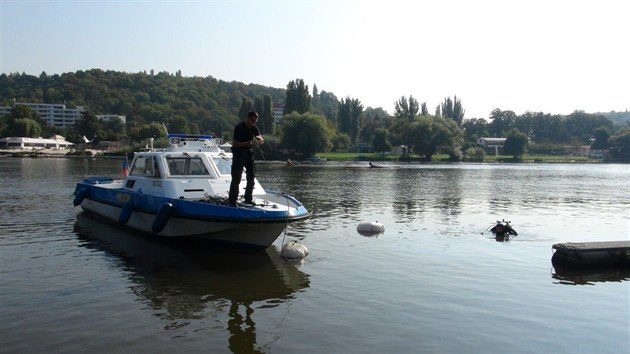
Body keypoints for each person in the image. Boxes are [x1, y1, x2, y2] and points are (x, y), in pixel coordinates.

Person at [228, 111, 264, 206]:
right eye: (252, 120)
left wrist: (259, 139)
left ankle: (248, 198)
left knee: (251, 176)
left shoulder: (254, 128)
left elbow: (259, 136)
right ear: (248, 118)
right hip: (238, 154)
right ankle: (232, 200)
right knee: (236, 177)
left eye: (255, 121)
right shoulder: (239, 127)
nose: (253, 122)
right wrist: (248, 143)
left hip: (248, 154)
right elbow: (235, 143)